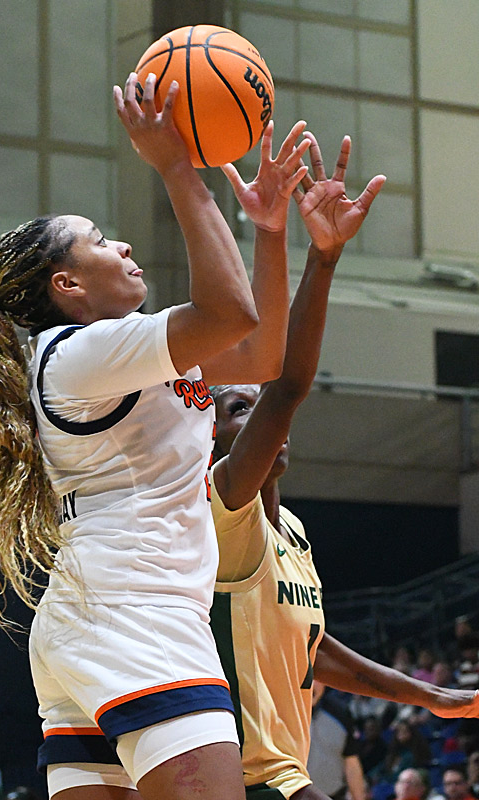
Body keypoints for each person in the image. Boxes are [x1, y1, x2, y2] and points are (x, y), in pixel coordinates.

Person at [0, 71, 312, 800]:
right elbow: (230, 314)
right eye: (95, 241)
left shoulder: (116, 352)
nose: (119, 244)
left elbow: (258, 355)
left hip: (103, 615)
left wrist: (272, 230)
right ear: (68, 286)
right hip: (135, 612)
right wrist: (177, 168)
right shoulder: (78, 352)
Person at [206, 131, 479, 800]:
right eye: (239, 409)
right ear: (211, 441)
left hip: (284, 773)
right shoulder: (218, 510)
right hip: (239, 779)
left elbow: (312, 648)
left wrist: (431, 695)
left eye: (255, 408)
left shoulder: (291, 530)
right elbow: (289, 385)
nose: (265, 418)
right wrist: (322, 260)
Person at [307, 682, 365, 800]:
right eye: (307, 677)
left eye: (317, 678)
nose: (311, 684)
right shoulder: (278, 711)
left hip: (332, 795)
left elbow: (352, 763)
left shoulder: (341, 713)